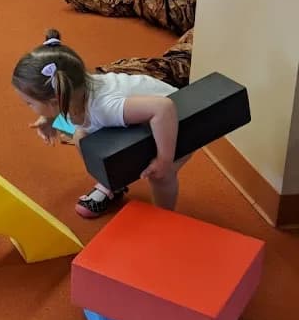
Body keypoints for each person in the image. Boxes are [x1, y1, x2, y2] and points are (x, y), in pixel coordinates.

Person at [12, 29, 185, 218]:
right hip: (138, 116)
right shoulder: (74, 92)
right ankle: (113, 182)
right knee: (81, 137)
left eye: (29, 103)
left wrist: (164, 160)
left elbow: (164, 108)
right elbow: (64, 114)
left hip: (174, 122)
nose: (27, 106)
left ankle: (165, 218)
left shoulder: (104, 107)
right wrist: (48, 118)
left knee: (160, 175)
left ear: (56, 101)